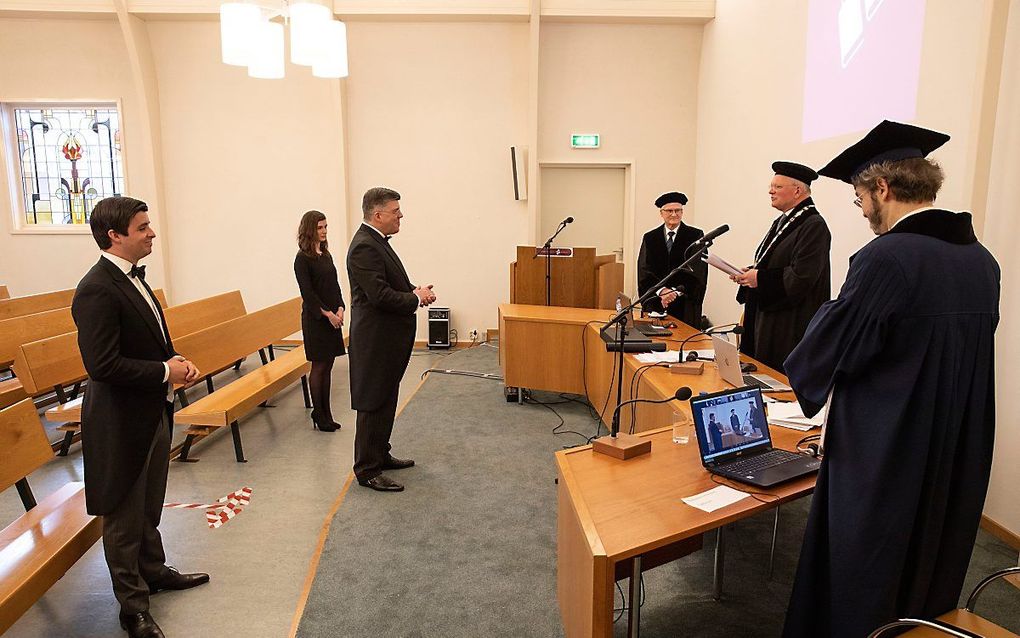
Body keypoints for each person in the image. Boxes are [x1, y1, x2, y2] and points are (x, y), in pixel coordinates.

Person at [781, 121, 1000, 638]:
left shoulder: (887, 257)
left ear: (882, 188)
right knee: (932, 546)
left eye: (859, 197)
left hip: (887, 445)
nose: (860, 211)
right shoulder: (981, 261)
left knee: (866, 561)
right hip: (954, 444)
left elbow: (827, 350)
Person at [72, 197, 209, 638]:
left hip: (151, 409)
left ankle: (153, 571)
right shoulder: (96, 288)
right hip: (118, 420)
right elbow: (102, 365)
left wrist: (174, 360)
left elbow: (149, 341)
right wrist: (163, 371)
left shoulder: (134, 280)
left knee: (149, 505)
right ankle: (132, 608)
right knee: (124, 516)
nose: (152, 233)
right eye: (143, 227)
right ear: (115, 235)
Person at [347, 187, 436, 492]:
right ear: (378, 214)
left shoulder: (375, 242)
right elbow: (379, 295)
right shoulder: (363, 246)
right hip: (375, 341)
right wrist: (414, 297)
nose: (401, 216)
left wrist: (415, 291)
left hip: (387, 340)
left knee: (386, 398)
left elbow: (389, 281)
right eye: (396, 211)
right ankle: (367, 469)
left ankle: (380, 453)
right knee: (373, 402)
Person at [731, 162, 830, 372]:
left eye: (777, 187)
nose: (770, 191)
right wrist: (750, 273)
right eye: (771, 186)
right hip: (769, 315)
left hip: (790, 322)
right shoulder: (784, 221)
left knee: (776, 380)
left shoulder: (813, 225)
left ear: (797, 191)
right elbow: (775, 263)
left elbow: (802, 276)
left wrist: (759, 278)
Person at [294, 210, 346, 432]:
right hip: (317, 320)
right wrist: (327, 314)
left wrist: (341, 307)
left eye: (325, 227)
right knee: (319, 366)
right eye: (319, 228)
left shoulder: (325, 254)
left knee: (329, 366)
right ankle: (319, 413)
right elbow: (308, 293)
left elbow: (334, 285)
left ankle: (326, 414)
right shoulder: (302, 259)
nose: (324, 231)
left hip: (333, 317)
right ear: (309, 230)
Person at [637, 192, 708, 327]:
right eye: (669, 211)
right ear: (661, 213)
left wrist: (675, 292)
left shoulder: (696, 236)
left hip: (684, 302)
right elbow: (644, 270)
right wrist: (662, 291)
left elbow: (698, 270)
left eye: (678, 210)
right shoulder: (650, 237)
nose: (674, 214)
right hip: (656, 301)